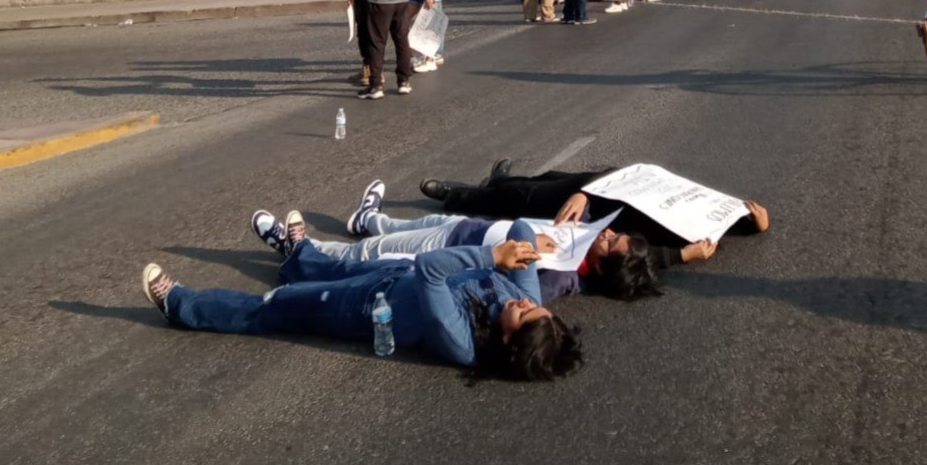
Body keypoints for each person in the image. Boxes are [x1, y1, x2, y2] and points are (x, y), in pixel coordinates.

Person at [139, 222, 584, 382]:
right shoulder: (523, 301)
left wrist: (491, 256)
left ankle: (180, 305)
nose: (525, 303)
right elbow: (523, 231)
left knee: (273, 308)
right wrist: (526, 245)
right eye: (534, 306)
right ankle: (297, 255)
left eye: (524, 314)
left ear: (509, 341)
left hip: (361, 309)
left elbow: (432, 268)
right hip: (392, 277)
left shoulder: (462, 341)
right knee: (330, 266)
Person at [252, 179, 669, 303]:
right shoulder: (592, 225)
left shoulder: (557, 279)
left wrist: (512, 257)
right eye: (618, 234)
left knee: (366, 255)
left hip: (451, 250)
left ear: (602, 267)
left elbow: (502, 293)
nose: (609, 233)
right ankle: (369, 218)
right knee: (405, 225)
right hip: (469, 224)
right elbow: (611, 184)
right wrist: (583, 195)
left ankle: (299, 250)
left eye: (611, 243)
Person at [415, 161, 772, 278]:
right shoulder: (668, 195)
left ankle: (452, 195)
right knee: (540, 181)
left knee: (518, 199)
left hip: (588, 216)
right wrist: (585, 191)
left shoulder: (685, 235)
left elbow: (642, 259)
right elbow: (624, 172)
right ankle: (498, 181)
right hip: (592, 190)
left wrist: (684, 256)